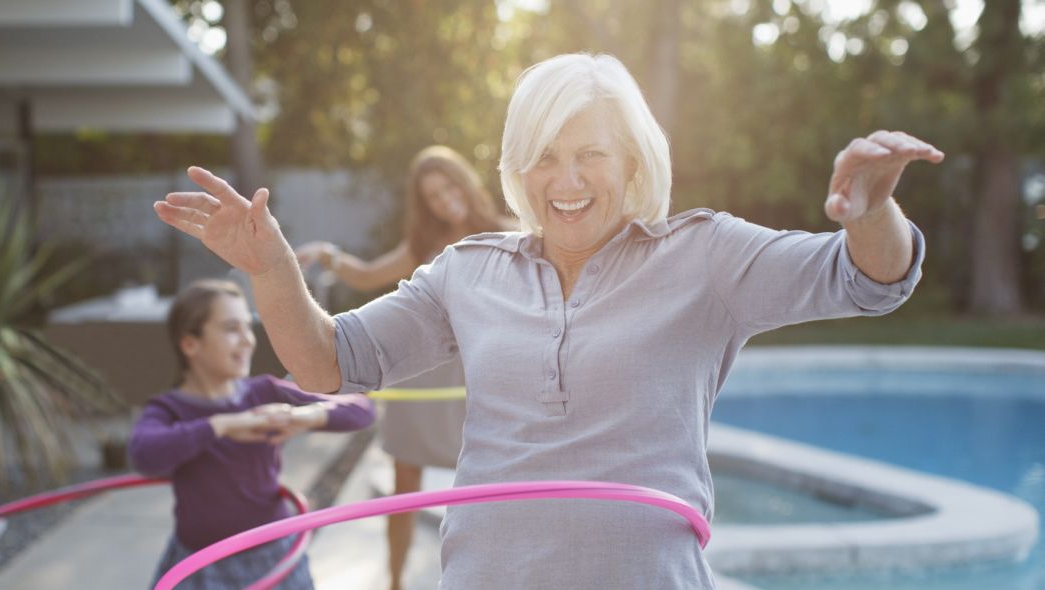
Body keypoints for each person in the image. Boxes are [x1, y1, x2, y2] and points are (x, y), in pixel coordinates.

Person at [152, 53, 943, 589]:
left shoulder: (705, 255)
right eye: (543, 155)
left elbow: (866, 279)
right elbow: (330, 363)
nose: (565, 180)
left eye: (590, 154)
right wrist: (273, 271)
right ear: (516, 167)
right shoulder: (469, 272)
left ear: (633, 161)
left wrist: (873, 213)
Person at [294, 145, 510, 590]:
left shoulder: (511, 233)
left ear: (465, 181)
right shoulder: (423, 247)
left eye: (449, 185)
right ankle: (395, 583)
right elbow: (368, 274)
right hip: (425, 374)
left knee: (492, 483)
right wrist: (326, 255)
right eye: (432, 195)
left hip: (478, 376)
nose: (444, 199)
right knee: (405, 484)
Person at [128, 279, 375, 589]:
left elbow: (361, 409)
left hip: (273, 552)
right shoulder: (170, 409)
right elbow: (144, 455)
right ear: (190, 343)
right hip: (203, 563)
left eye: (248, 327)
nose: (248, 340)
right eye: (232, 329)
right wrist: (224, 425)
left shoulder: (264, 392)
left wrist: (304, 416)